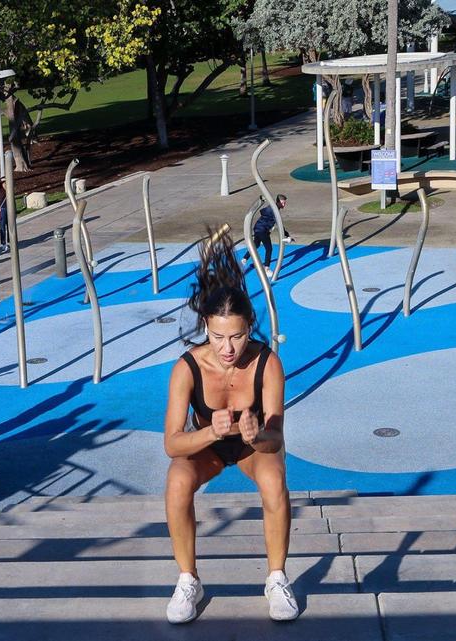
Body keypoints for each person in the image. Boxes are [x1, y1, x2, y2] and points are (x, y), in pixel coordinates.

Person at [163, 233, 297, 625]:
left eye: (237, 336)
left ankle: (276, 579)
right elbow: (172, 443)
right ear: (206, 325)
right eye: (219, 336)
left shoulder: (267, 363)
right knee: (176, 481)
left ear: (249, 327)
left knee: (274, 480)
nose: (227, 348)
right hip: (208, 446)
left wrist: (257, 435)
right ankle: (189, 580)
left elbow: (277, 439)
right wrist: (211, 432)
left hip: (253, 448)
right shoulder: (186, 368)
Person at [241, 194, 287, 278]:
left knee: (256, 245)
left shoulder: (273, 208)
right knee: (269, 248)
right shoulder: (274, 210)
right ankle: (267, 269)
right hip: (262, 230)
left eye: (285, 203)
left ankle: (244, 260)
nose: (284, 205)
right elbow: (279, 224)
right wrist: (286, 235)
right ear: (278, 202)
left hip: (258, 228)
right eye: (282, 203)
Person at [0, 179, 10, 254]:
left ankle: (10, 241)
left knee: (10, 226)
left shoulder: (10, 190)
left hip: (9, 209)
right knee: (2, 227)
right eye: (3, 183)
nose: (5, 184)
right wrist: (0, 180)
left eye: (6, 183)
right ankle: (3, 243)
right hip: (2, 210)